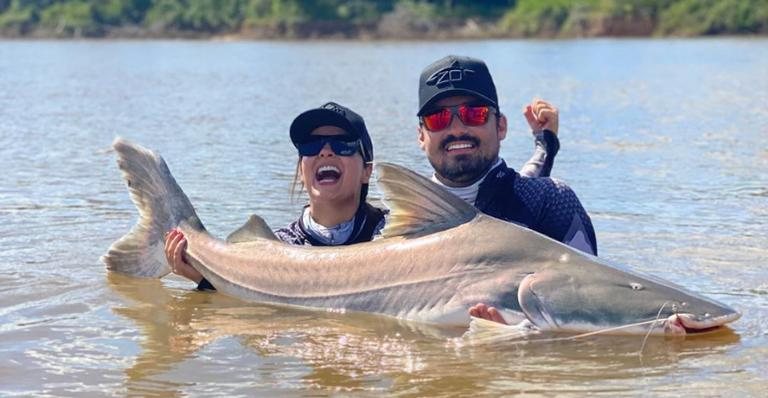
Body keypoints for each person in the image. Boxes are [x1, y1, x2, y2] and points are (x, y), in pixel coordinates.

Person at [415, 55, 598, 324]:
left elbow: (591, 309)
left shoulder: (553, 202)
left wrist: (519, 345)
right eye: (438, 119)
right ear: (421, 136)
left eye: (473, 114)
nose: (457, 129)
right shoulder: (392, 225)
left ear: (501, 126)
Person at [165, 102, 386, 290]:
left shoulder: (394, 232)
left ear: (367, 170)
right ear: (301, 171)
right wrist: (205, 281)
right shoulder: (280, 245)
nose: (325, 151)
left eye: (343, 144)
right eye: (310, 146)